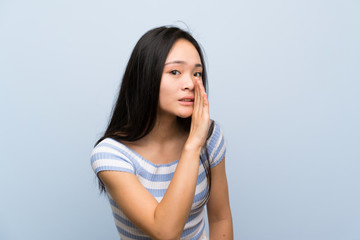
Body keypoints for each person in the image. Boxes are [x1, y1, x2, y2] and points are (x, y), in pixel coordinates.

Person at [90, 26, 233, 240]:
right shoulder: (110, 154)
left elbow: (220, 217)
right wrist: (193, 145)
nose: (190, 84)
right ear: (146, 77)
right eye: (175, 72)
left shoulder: (209, 136)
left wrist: (198, 140)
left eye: (197, 73)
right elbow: (165, 232)